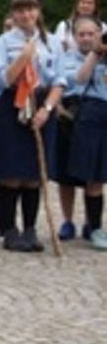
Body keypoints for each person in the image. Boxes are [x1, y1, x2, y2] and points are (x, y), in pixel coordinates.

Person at [0, 0, 65, 252]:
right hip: (14, 105)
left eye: (30, 9)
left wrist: (46, 108)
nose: (26, 15)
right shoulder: (4, 41)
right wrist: (23, 56)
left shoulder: (53, 41)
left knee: (35, 174)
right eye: (20, 10)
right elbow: (3, 79)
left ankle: (31, 228)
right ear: (13, 14)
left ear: (38, 11)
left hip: (41, 105)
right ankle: (10, 229)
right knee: (12, 173)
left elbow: (59, 80)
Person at [63, 15, 107, 246]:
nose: (87, 38)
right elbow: (79, 79)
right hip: (84, 115)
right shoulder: (69, 58)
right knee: (79, 173)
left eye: (92, 34)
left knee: (99, 176)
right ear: (74, 36)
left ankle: (95, 226)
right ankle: (70, 221)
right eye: (82, 34)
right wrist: (94, 54)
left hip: (104, 114)